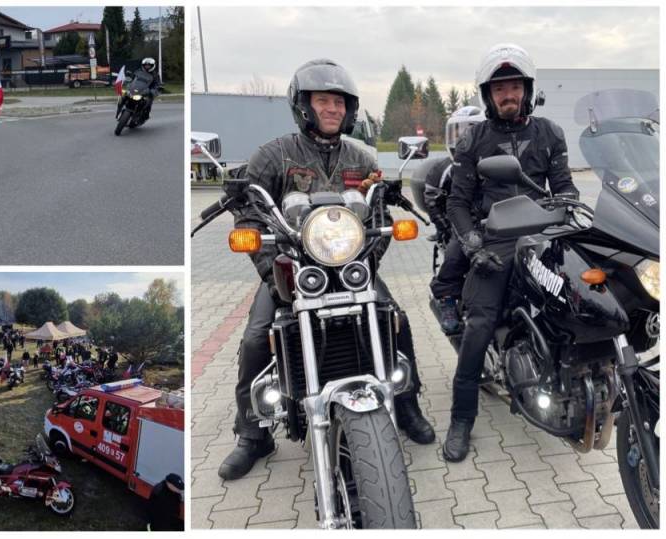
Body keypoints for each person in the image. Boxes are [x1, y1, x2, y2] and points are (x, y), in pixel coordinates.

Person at [218, 59, 435, 481]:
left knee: (398, 322)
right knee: (254, 341)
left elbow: (378, 215)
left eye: (339, 102)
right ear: (303, 106)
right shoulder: (274, 154)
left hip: (351, 266)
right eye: (323, 101)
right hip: (293, 271)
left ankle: (407, 406)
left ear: (350, 109)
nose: (333, 109)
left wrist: (367, 260)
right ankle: (252, 434)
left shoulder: (361, 157)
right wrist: (271, 270)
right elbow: (248, 212)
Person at [443, 44, 578, 462]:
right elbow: (458, 204)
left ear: (527, 89)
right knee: (479, 325)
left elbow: (566, 188)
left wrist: (568, 212)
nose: (508, 94)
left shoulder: (549, 134)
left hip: (543, 233)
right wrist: (473, 244)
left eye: (514, 85)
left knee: (579, 299)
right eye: (499, 87)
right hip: (497, 239)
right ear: (488, 94)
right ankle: (461, 418)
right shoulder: (473, 142)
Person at [424, 106, 485, 334]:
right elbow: (432, 201)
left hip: (499, 222)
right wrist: (447, 229)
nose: (462, 140)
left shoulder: (498, 160)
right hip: (462, 225)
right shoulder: (444, 169)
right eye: (457, 133)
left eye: (469, 132)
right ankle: (447, 298)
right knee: (455, 255)